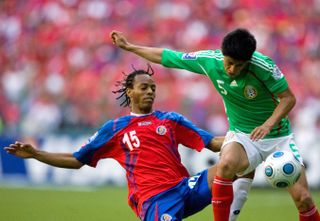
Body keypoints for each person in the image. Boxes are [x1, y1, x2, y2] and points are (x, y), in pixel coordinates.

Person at [110, 29, 320, 221]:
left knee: (303, 199)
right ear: (222, 54)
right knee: (226, 164)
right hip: (244, 136)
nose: (232, 69)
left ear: (249, 61)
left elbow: (288, 99)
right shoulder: (209, 60)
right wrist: (130, 47)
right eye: (229, 62)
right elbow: (168, 57)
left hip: (278, 137)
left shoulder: (263, 66)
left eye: (239, 65)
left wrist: (268, 124)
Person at [4, 66, 248, 221]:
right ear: (130, 92)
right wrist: (37, 154)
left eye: (153, 88)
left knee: (239, 164)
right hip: (154, 199)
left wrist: (245, 139)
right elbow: (77, 160)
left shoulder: (171, 120)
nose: (151, 91)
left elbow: (214, 143)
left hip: (185, 188)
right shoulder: (114, 129)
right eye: (144, 87)